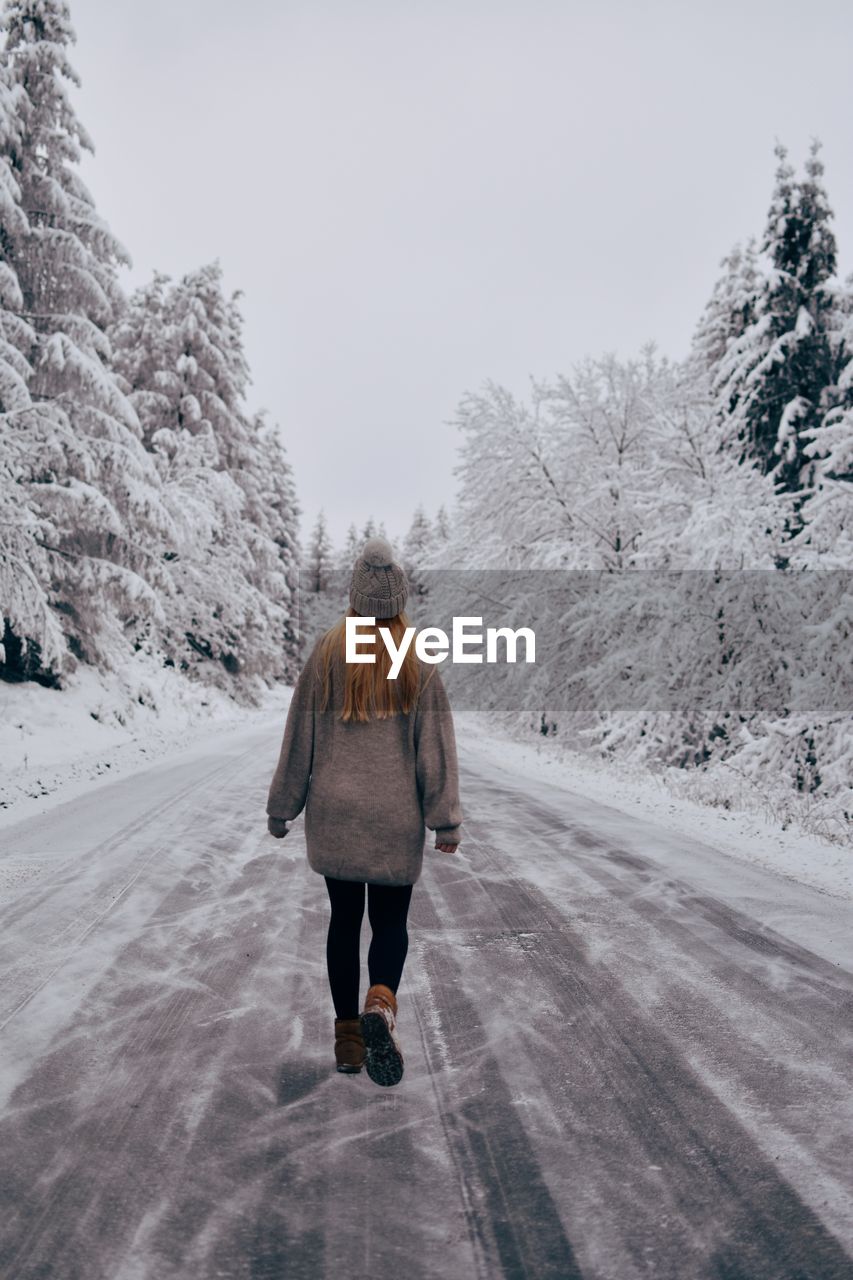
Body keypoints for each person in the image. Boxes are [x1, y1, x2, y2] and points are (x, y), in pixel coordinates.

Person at [265, 536, 463, 1087]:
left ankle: (349, 1040)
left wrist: (283, 807)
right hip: (394, 821)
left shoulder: (329, 650)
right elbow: (436, 746)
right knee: (391, 922)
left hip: (337, 818)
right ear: (399, 599)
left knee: (344, 921)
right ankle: (382, 1002)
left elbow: (297, 737)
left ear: (354, 598)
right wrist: (444, 818)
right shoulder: (417, 657)